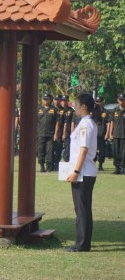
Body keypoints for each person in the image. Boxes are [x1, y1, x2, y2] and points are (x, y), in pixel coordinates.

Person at [64, 93, 98, 252]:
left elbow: (83, 150)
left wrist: (75, 171)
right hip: (85, 172)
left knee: (82, 209)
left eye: (76, 104)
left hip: (83, 173)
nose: (74, 107)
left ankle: (82, 244)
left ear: (84, 106)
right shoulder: (86, 123)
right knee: (83, 209)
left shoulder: (85, 124)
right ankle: (83, 243)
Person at [37, 93, 57, 172]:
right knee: (41, 150)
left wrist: (56, 133)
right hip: (40, 133)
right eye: (44, 99)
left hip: (50, 134)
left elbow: (57, 123)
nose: (45, 101)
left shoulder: (54, 109)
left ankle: (49, 167)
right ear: (42, 100)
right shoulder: (38, 108)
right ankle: (42, 166)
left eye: (47, 99)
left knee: (50, 151)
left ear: (50, 99)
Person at [107, 93, 125, 174]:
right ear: (117, 100)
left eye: (123, 100)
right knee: (115, 152)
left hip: (124, 136)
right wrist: (110, 134)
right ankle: (117, 168)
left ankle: (123, 168)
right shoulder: (114, 110)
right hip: (116, 135)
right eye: (120, 100)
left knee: (123, 153)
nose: (122, 102)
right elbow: (111, 123)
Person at [60, 95, 75, 162]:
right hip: (58, 131)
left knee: (68, 147)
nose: (63, 102)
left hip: (67, 132)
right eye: (62, 101)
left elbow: (72, 122)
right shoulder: (58, 109)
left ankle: (67, 160)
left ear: (67, 101)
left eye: (65, 101)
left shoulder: (71, 110)